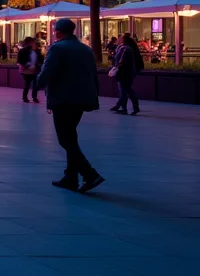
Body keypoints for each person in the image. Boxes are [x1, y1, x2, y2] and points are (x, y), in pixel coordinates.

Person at [38, 18, 105, 193]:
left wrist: (37, 84)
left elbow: (47, 71)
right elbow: (93, 74)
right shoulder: (85, 49)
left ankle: (89, 174)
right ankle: (70, 177)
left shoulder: (57, 48)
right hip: (81, 99)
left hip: (63, 98)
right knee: (71, 136)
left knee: (65, 139)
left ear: (58, 32)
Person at [110, 33, 143, 115]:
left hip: (124, 73)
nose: (118, 40)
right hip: (127, 73)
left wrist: (116, 68)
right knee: (124, 90)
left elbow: (121, 61)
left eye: (120, 38)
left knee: (126, 90)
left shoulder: (125, 49)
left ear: (123, 40)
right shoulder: (125, 48)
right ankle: (123, 107)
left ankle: (129, 107)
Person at [18, 37, 41, 103]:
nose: (33, 43)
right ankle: (25, 97)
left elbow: (39, 58)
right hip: (27, 70)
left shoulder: (36, 50)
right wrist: (25, 64)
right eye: (32, 42)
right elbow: (20, 60)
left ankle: (34, 97)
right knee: (27, 84)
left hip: (35, 69)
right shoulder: (23, 50)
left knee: (35, 84)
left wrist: (39, 64)